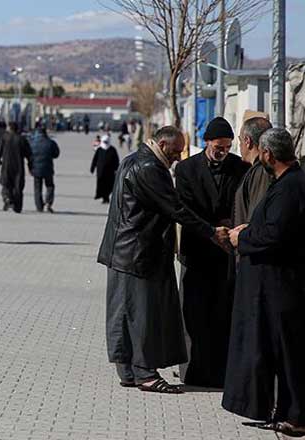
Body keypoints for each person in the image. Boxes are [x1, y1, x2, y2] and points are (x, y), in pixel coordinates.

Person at [97, 126, 229, 394]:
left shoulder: (132, 160)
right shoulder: (149, 168)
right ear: (163, 144)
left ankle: (129, 371)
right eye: (176, 151)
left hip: (123, 252)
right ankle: (145, 373)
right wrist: (212, 232)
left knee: (125, 313)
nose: (179, 157)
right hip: (138, 253)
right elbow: (176, 208)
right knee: (143, 315)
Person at [223, 128, 305, 436]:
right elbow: (272, 224)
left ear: (268, 154)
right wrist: (251, 226)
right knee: (284, 354)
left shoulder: (290, 186)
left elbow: (276, 234)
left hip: (287, 289)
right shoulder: (289, 182)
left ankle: (300, 417)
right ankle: (287, 412)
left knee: (294, 354)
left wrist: (242, 236)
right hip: (279, 287)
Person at [174, 117, 250, 388]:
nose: (223, 151)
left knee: (222, 312)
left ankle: (221, 372)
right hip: (197, 250)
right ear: (207, 142)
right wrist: (210, 230)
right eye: (219, 146)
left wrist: (228, 231)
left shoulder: (240, 168)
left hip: (226, 252)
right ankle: (193, 371)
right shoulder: (186, 169)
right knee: (194, 313)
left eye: (228, 146)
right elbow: (184, 209)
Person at [233, 117, 274, 226]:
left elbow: (256, 216)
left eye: (240, 140)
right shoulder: (259, 169)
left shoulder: (261, 171)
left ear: (247, 141)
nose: (240, 145)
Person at [0, 122, 32, 213]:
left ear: (9, 128)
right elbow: (29, 154)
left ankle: (7, 198)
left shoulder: (4, 138)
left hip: (6, 165)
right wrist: (30, 165)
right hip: (18, 166)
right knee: (18, 186)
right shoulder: (22, 139)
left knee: (6, 184)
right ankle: (17, 206)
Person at [29, 125, 60, 213]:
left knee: (37, 188)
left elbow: (29, 155)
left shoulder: (32, 143)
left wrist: (30, 166)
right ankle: (48, 203)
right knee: (50, 186)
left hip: (36, 168)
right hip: (48, 168)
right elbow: (56, 154)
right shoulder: (50, 142)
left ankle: (39, 206)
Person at [90, 134, 120, 204]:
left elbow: (116, 160)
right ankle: (104, 198)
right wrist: (92, 168)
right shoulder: (99, 149)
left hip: (110, 172)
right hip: (100, 171)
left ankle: (106, 197)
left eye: (106, 142)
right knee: (101, 185)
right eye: (104, 142)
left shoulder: (112, 149)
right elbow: (95, 159)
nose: (105, 143)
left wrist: (117, 169)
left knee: (109, 185)